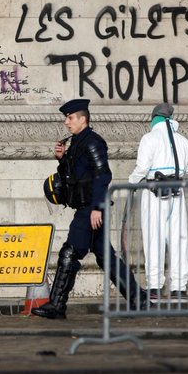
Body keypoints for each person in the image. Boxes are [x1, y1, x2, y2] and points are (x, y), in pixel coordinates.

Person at [32, 99, 143, 319]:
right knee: (106, 258)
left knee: (69, 252)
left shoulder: (93, 142)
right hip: (87, 208)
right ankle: (139, 300)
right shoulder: (76, 143)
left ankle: (56, 305)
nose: (66, 122)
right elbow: (73, 177)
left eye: (70, 118)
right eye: (66, 118)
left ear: (83, 119)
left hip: (90, 209)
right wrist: (62, 159)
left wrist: (96, 208)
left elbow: (103, 176)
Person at [128, 102, 188, 299]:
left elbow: (142, 168)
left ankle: (155, 286)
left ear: (154, 118)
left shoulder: (149, 138)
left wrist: (130, 182)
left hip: (154, 193)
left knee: (153, 239)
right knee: (178, 240)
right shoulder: (182, 140)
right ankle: (179, 287)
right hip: (177, 194)